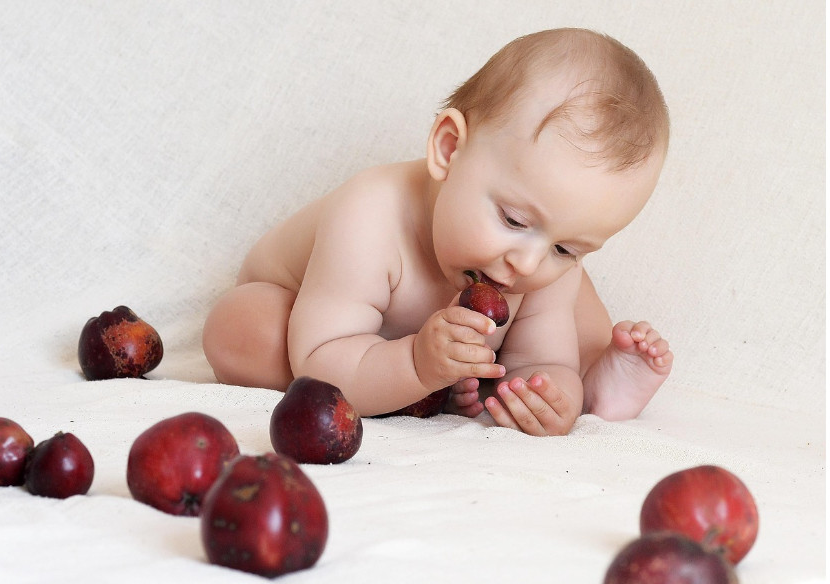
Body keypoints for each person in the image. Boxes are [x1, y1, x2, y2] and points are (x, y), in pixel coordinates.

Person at [202, 28, 673, 436]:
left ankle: (599, 384)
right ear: (449, 150)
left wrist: (550, 395)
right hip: (312, 322)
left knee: (573, 300)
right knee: (245, 328)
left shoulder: (534, 258)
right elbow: (319, 362)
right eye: (512, 220)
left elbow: (543, 361)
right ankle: (411, 384)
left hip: (435, 350)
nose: (527, 263)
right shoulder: (369, 215)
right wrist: (414, 365)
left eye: (567, 248)